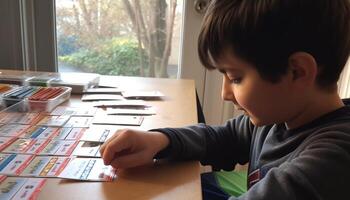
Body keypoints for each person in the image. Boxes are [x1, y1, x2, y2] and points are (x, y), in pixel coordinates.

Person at [100, 0, 350, 199]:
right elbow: (224, 138)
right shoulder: (282, 117)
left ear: (298, 71)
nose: (225, 93)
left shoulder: (332, 159)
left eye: (236, 77)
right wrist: (159, 140)